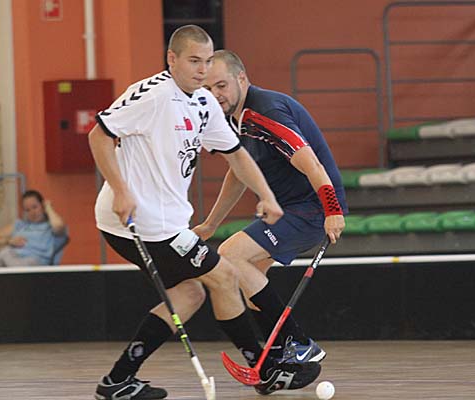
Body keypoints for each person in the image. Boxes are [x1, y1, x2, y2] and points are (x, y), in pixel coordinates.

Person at [88, 25, 320, 400]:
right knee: (224, 276)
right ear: (172, 59)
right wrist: (121, 189)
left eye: (208, 61)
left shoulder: (203, 103)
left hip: (166, 222)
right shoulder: (152, 95)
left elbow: (236, 154)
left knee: (190, 294)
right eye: (194, 61)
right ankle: (263, 370)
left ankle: (118, 380)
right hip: (138, 222)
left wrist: (266, 195)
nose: (202, 70)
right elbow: (98, 135)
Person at [197, 50, 347, 369]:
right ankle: (278, 353)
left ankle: (297, 343)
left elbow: (312, 163)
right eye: (207, 88)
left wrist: (332, 209)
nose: (215, 94)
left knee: (231, 255)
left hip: (311, 208)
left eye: (221, 85)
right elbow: (238, 173)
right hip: (287, 208)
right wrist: (210, 224)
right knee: (249, 273)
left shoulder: (265, 112)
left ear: (241, 78)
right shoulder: (234, 119)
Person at [0, 190, 67, 267]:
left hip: (35, 264)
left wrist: (48, 207)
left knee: (5, 255)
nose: (32, 213)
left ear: (42, 205)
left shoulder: (51, 226)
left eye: (35, 207)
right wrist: (9, 241)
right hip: (12, 257)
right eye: (27, 210)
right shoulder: (20, 224)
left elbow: (58, 226)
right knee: (5, 253)